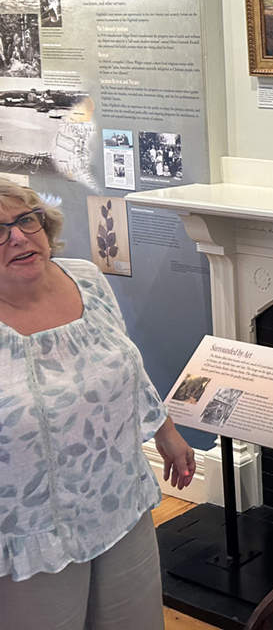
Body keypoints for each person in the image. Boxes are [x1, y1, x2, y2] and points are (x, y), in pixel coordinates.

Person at [0, 183, 195, 630]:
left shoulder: (85, 278)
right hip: (31, 533)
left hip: (117, 497)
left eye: (26, 220)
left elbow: (125, 360)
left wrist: (165, 430)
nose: (18, 237)